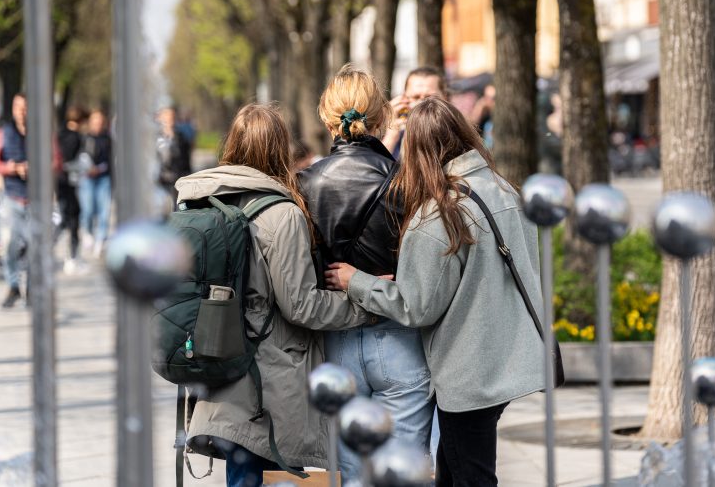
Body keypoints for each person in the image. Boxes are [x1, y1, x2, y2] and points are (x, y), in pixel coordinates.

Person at [324, 96, 545, 486]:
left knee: (469, 475)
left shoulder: (439, 216)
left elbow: (416, 307)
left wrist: (353, 280)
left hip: (468, 373)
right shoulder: (507, 191)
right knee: (456, 468)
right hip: (509, 358)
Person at [180, 104, 369, 487]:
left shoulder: (202, 201)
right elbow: (302, 306)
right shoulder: (282, 213)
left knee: (242, 472)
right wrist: (364, 304)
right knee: (255, 468)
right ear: (279, 149)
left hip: (216, 355)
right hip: (266, 371)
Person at [298, 67, 434, 483]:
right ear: (385, 119)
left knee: (352, 474)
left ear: (327, 119)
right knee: (405, 472)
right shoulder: (408, 183)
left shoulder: (303, 184)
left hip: (334, 342)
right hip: (398, 334)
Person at [0, 94, 31, 308]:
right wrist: (13, 168)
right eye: (18, 107)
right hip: (11, 196)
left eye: (25, 108)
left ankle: (33, 289)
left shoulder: (43, 131)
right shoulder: (4, 132)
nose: (22, 112)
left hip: (37, 199)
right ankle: (13, 285)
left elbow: (56, 161)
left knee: (36, 247)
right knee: (8, 245)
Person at [382, 66, 447, 158]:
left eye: (429, 97)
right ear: (404, 98)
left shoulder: (456, 132)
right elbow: (375, 168)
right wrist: (391, 136)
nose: (422, 103)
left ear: (444, 97)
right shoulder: (395, 135)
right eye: (415, 97)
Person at [78, 109, 113, 258]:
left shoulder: (108, 139)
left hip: (104, 178)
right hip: (87, 178)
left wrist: (101, 169)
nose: (97, 125)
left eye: (100, 122)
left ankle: (101, 240)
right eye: (95, 121)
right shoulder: (84, 138)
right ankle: (87, 232)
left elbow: (112, 160)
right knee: (88, 209)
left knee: (104, 211)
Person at [56, 106, 86, 271]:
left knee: (64, 218)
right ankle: (72, 256)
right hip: (69, 181)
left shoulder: (59, 134)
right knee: (71, 219)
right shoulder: (75, 137)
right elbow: (68, 159)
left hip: (60, 181)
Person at [157, 106, 192, 204]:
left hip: (177, 180)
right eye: (167, 117)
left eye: (172, 117)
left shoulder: (181, 138)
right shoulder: (156, 139)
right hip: (161, 182)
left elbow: (186, 160)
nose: (170, 120)